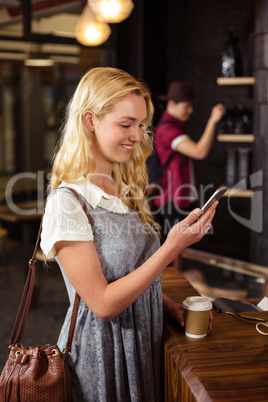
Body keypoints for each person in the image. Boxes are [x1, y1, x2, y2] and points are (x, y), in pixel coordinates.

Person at [40, 67, 217, 402]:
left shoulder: (121, 187)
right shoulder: (67, 202)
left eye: (141, 125)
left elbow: (127, 274)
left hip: (141, 345)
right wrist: (170, 248)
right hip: (101, 357)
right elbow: (103, 304)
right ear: (90, 121)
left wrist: (168, 307)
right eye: (126, 124)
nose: (137, 136)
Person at [152, 81, 226, 238]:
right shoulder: (167, 130)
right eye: (187, 106)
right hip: (173, 199)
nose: (190, 111)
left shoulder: (174, 127)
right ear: (171, 104)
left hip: (178, 197)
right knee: (176, 248)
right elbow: (199, 152)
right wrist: (212, 120)